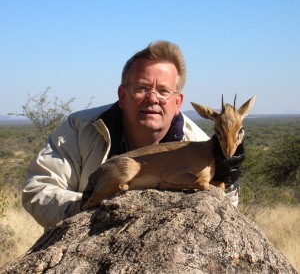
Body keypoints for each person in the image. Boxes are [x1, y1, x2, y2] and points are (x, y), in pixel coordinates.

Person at [22, 40, 245, 229]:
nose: (153, 98)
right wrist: (89, 211)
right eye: (141, 88)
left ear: (178, 102)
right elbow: (37, 190)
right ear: (122, 94)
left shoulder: (198, 142)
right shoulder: (80, 127)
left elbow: (225, 209)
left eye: (163, 91)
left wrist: (227, 180)